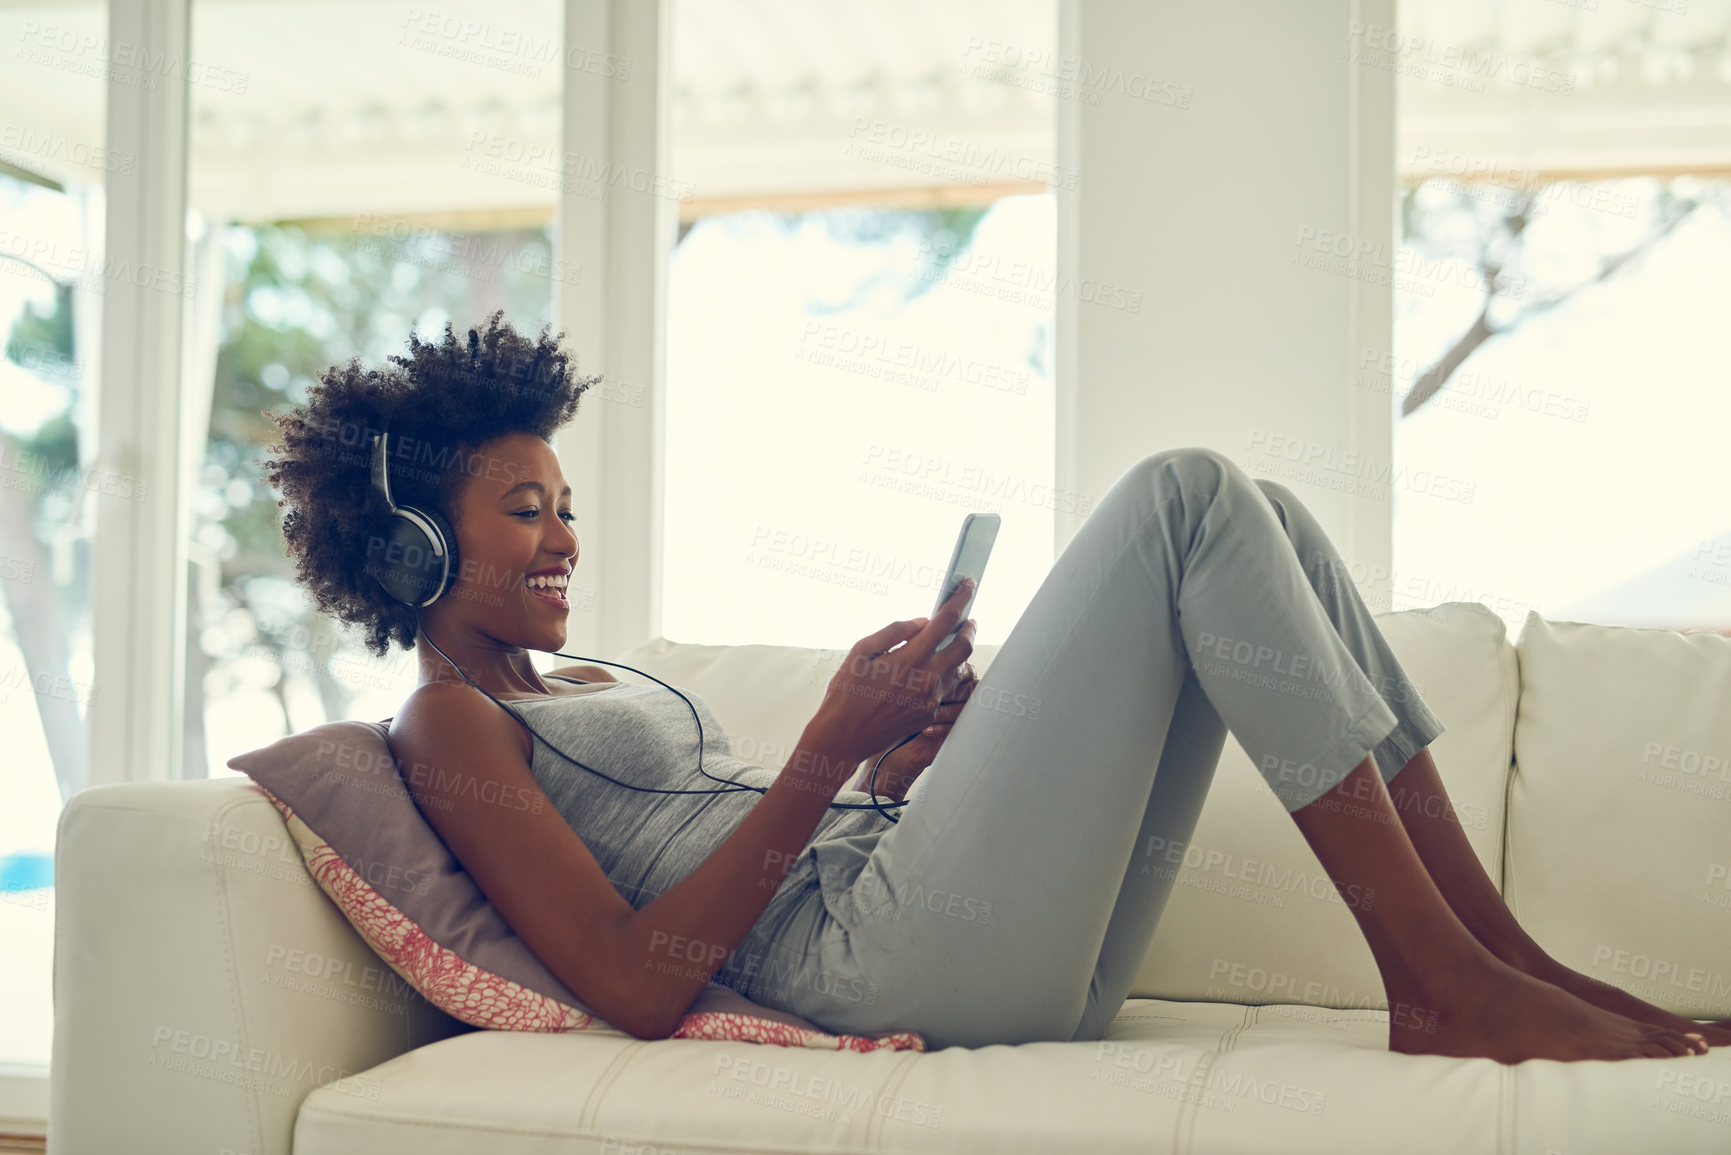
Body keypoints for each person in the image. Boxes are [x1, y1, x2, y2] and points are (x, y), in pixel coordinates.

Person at [263, 312, 1723, 1062]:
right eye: (524, 509)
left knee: (1261, 514)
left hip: (928, 913)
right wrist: (830, 752)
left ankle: (1492, 961)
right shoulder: (445, 721)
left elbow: (759, 831)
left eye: (566, 504)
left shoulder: (580, 671)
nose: (566, 535)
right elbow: (633, 988)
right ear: (409, 542)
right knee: (1187, 496)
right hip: (879, 965)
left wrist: (904, 766)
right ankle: (1442, 984)